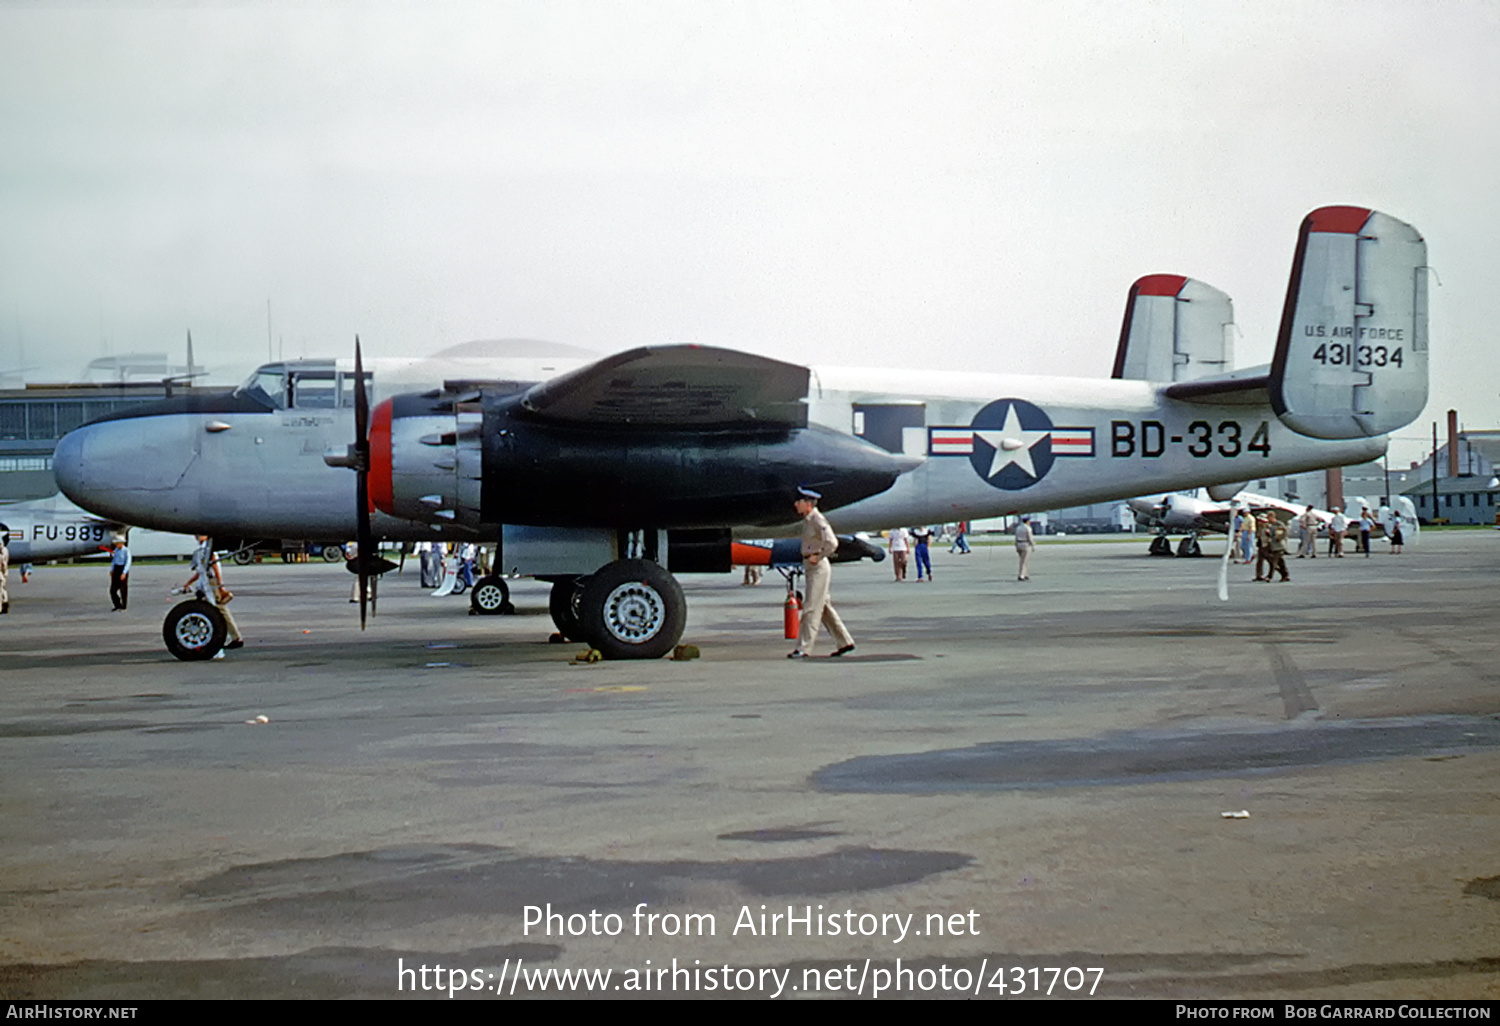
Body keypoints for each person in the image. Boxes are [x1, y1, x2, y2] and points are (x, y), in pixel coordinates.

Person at [788, 488, 854, 659]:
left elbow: (832, 542)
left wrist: (819, 556)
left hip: (818, 567)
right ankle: (844, 642)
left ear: (808, 504)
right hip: (811, 566)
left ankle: (803, 648)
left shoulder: (817, 519)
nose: (796, 505)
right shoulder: (809, 520)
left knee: (810, 608)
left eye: (799, 502)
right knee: (823, 607)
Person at [180, 535, 244, 652]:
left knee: (220, 609)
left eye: (200, 535)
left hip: (211, 582)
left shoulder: (207, 549)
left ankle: (235, 637)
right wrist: (189, 583)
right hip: (205, 581)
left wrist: (220, 585)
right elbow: (201, 571)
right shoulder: (203, 549)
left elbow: (213, 566)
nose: (198, 537)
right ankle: (223, 637)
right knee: (209, 610)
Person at [1265, 515, 1291, 582]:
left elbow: (1284, 532)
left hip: (1279, 546)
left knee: (1274, 562)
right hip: (1274, 546)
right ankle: (1285, 574)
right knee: (1280, 562)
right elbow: (1272, 535)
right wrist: (1268, 533)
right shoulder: (1270, 525)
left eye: (1269, 518)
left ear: (1272, 517)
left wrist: (1279, 538)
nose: (1268, 519)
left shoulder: (1279, 524)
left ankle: (1269, 577)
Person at [109, 538, 131, 610]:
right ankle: (117, 604)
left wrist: (124, 573)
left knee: (123, 589)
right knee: (113, 590)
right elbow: (114, 561)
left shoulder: (126, 551)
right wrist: (112, 570)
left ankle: (124, 606)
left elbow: (128, 562)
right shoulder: (116, 551)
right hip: (116, 569)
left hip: (122, 568)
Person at [1014, 516, 1036, 581]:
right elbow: (1030, 537)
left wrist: (1016, 546)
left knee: (1022, 560)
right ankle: (1021, 575)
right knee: (1024, 561)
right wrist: (1033, 545)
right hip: (1025, 544)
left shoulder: (1018, 528)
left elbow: (1016, 537)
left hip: (1019, 543)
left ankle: (1025, 574)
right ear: (1027, 521)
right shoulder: (1028, 528)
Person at [0, 532, 9, 614]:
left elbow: (4, 564)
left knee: (1, 589)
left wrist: (4, 572)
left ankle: (1, 606)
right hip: (2, 573)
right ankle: (5, 603)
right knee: (2, 589)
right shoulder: (5, 550)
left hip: (0, 573)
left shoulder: (3, 552)